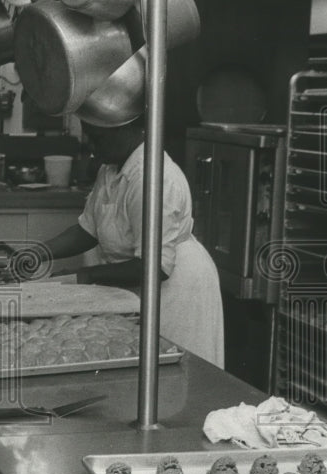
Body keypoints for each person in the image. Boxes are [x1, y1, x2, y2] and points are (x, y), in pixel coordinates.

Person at [26, 117, 224, 367]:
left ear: (127, 129)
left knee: (178, 375)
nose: (91, 145)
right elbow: (88, 229)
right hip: (139, 282)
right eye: (88, 136)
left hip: (177, 289)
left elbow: (155, 267)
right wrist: (38, 252)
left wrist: (83, 276)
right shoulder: (110, 169)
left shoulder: (151, 177)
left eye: (97, 138)